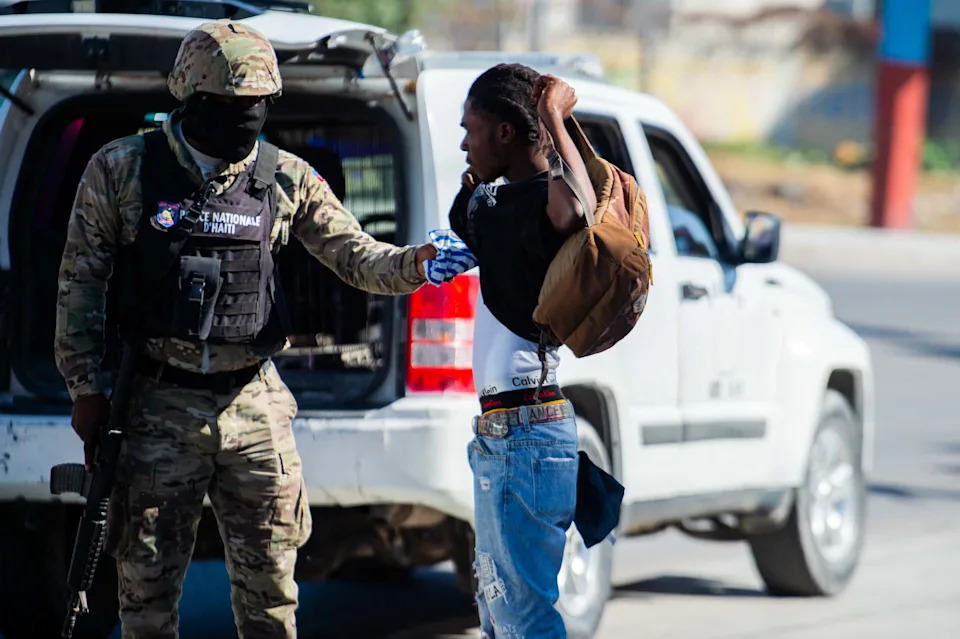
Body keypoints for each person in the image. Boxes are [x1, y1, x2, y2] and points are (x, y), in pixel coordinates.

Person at [54, 19, 436, 639]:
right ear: (193, 98)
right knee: (146, 605)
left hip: (253, 403)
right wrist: (84, 391)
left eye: (259, 105)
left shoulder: (284, 176)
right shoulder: (122, 169)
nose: (248, 118)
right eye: (233, 106)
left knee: (271, 607)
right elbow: (80, 285)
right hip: (156, 404)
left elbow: (356, 256)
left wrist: (419, 263)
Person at [448, 63, 598, 638]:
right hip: (506, 433)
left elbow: (577, 210)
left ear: (506, 133)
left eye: (471, 129)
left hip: (527, 432)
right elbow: (463, 219)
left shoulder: (542, 199)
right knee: (499, 613)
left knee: (523, 619)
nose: (464, 142)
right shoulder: (496, 202)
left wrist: (554, 116)